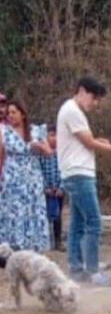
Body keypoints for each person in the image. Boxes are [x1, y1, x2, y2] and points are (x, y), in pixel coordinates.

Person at [57, 76, 111, 286]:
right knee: (94, 222)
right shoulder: (72, 111)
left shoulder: (71, 111)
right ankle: (93, 272)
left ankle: (77, 268)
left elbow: (86, 142)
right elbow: (88, 142)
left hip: (75, 172)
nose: (95, 104)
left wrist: (99, 142)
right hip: (79, 174)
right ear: (83, 91)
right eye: (95, 98)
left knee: (77, 224)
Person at [0, 100, 53, 251]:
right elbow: (1, 156)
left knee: (33, 209)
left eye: (13, 112)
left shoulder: (36, 131)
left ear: (22, 114)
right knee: (13, 211)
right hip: (12, 179)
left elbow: (49, 153)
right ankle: (13, 247)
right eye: (8, 113)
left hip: (32, 179)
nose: (10, 116)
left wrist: (40, 147)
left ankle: (34, 245)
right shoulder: (3, 131)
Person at [39, 121, 65, 251]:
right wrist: (45, 188)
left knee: (58, 215)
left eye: (57, 135)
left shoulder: (63, 153)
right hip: (46, 190)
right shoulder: (42, 154)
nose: (54, 138)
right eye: (51, 135)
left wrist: (61, 187)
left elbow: (65, 171)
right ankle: (45, 240)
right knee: (44, 215)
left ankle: (58, 241)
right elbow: (39, 172)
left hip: (58, 190)